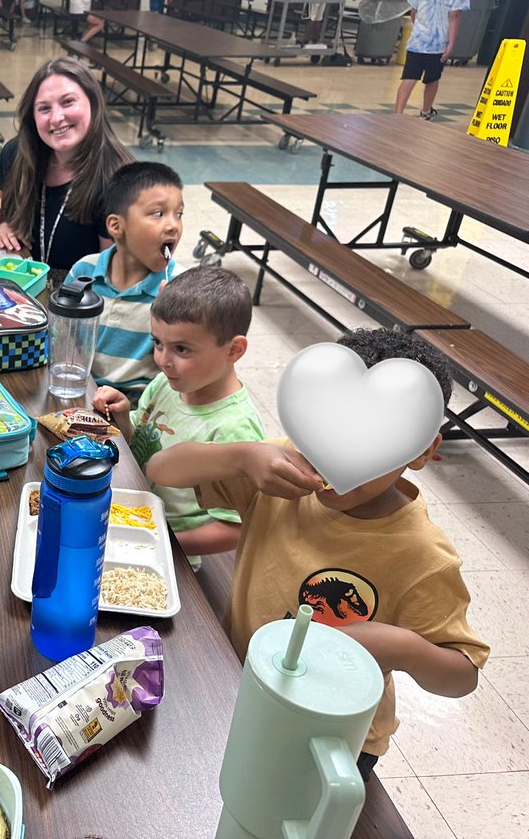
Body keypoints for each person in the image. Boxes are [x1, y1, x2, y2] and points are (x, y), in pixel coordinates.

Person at [144, 329, 490, 779]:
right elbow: (160, 469)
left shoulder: (423, 556)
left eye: (370, 442)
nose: (333, 458)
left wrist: (400, 645)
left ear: (422, 450)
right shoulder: (282, 472)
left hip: (334, 736)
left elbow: (461, 676)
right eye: (325, 431)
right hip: (243, 684)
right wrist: (244, 456)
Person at [92, 267, 265, 564]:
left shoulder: (235, 431)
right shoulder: (168, 383)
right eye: (158, 343)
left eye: (181, 349)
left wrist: (161, 542)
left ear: (234, 350)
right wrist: (123, 417)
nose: (162, 360)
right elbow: (145, 443)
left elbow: (234, 528)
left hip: (168, 554)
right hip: (134, 514)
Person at [0, 57, 133, 276]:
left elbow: (109, 272)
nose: (56, 118)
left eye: (68, 102)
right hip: (31, 282)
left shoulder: (117, 180)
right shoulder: (19, 152)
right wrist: (2, 222)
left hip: (81, 295)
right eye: (44, 108)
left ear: (92, 102)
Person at [63, 161, 179, 394]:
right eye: (158, 213)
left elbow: (182, 369)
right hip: (82, 394)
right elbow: (65, 336)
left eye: (179, 214)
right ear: (116, 226)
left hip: (141, 411)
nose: (173, 225)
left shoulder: (180, 287)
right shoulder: (83, 271)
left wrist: (172, 320)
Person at [395, 0, 471, 121]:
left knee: (409, 76)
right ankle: (426, 112)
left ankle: (397, 114)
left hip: (418, 40)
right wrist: (451, 43)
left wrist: (420, 27)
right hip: (438, 43)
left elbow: (413, 10)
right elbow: (455, 16)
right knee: (432, 78)